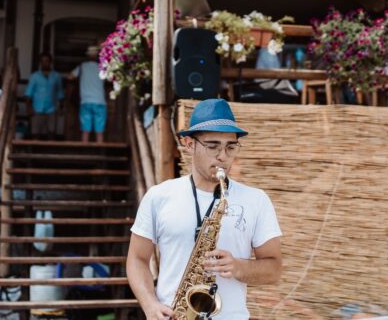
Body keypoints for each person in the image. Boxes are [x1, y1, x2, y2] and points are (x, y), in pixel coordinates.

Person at [127, 98, 283, 320]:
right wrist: (150, 304)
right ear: (189, 144)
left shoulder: (256, 200)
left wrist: (239, 267)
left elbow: (274, 268)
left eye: (230, 147)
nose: (223, 156)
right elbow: (137, 259)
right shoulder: (158, 196)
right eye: (212, 146)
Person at [67, 45, 107, 143]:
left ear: (88, 56)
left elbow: (70, 77)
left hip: (85, 101)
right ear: (97, 56)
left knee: (85, 131)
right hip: (99, 101)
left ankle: (85, 150)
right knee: (99, 131)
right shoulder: (103, 67)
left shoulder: (82, 67)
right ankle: (99, 150)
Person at [25, 52, 64, 140]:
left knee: (51, 132)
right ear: (40, 62)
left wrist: (61, 107)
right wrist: (29, 108)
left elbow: (60, 92)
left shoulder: (56, 76)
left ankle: (50, 148)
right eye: (42, 61)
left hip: (51, 109)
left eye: (47, 61)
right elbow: (28, 93)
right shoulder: (34, 76)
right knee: (35, 133)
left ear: (50, 62)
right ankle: (34, 149)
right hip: (37, 108)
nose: (44, 63)